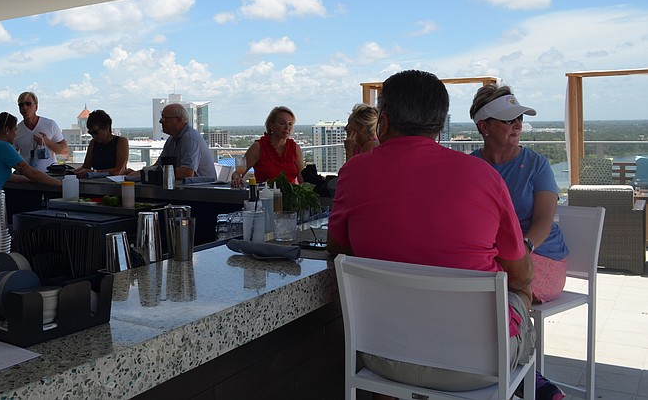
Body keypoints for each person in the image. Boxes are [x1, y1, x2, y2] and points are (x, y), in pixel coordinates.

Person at [328, 70, 562, 400]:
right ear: (440, 126)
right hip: (478, 366)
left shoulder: (353, 172)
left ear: (383, 121)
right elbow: (520, 273)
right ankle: (532, 382)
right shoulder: (484, 177)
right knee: (519, 287)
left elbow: (337, 248)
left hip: (383, 357)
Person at [470, 85, 569, 304]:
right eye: (508, 120)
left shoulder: (537, 165)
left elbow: (544, 220)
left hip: (537, 255)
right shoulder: (470, 166)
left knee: (491, 290)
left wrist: (522, 249)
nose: (518, 125)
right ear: (484, 126)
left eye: (520, 118)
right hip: (492, 257)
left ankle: (515, 335)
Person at [0, 112, 61, 208]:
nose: (16, 133)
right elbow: (31, 172)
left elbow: (1, 175)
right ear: (7, 130)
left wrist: (29, 179)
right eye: (15, 129)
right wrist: (61, 184)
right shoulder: (3, 146)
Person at [232, 106, 304, 186]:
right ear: (271, 125)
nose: (287, 127)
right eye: (282, 123)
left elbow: (302, 179)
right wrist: (236, 179)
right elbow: (237, 173)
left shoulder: (295, 148)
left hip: (290, 197)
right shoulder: (258, 147)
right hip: (264, 196)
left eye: (290, 124)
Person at [154, 103, 216, 180]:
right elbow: (157, 167)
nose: (160, 121)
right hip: (182, 189)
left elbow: (187, 172)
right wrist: (138, 173)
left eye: (164, 118)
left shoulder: (190, 139)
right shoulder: (172, 139)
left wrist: (152, 174)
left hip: (200, 189)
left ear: (179, 120)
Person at [14, 91, 69, 172]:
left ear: (36, 107)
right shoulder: (17, 130)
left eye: (28, 104)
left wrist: (47, 142)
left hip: (49, 175)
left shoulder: (50, 124)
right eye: (21, 105)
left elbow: (64, 151)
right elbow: (12, 155)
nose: (24, 107)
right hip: (27, 177)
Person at [73, 109, 129, 176]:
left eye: (95, 132)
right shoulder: (93, 143)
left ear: (107, 127)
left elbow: (119, 170)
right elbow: (85, 167)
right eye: (91, 133)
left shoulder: (121, 142)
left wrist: (94, 172)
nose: (94, 136)